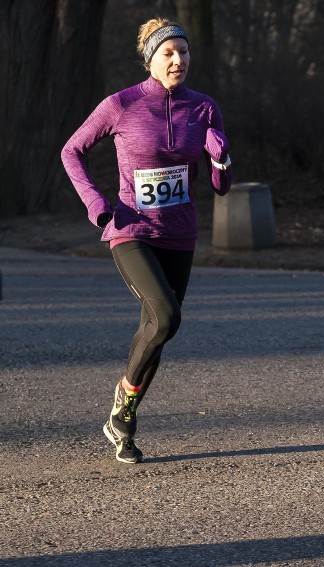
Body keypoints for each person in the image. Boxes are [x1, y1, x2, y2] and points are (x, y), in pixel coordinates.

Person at [61, 18, 232, 464]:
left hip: (180, 233)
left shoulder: (204, 108)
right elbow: (71, 150)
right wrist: (95, 202)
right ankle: (123, 405)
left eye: (184, 52)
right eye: (169, 53)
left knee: (157, 330)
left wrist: (221, 158)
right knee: (167, 316)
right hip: (131, 229)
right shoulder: (121, 105)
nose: (179, 60)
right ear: (151, 60)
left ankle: (122, 419)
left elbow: (220, 187)